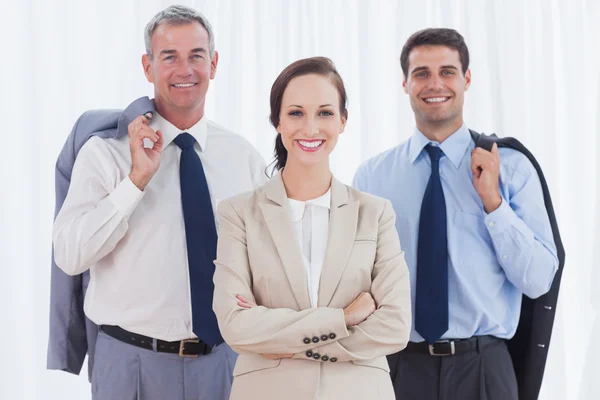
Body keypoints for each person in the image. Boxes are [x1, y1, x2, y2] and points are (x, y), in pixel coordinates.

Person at [51, 5, 265, 399]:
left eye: (196, 56)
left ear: (214, 64)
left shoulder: (243, 157)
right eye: (169, 57)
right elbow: (69, 255)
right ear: (148, 67)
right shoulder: (105, 154)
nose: (185, 69)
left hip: (224, 364)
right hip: (130, 365)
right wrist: (136, 181)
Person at [353, 28, 559, 400]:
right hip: (399, 368)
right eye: (421, 73)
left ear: (466, 79)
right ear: (405, 83)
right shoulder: (373, 176)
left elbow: (540, 280)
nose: (435, 83)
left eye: (447, 71)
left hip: (483, 369)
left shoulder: (510, 167)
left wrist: (494, 204)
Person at [212, 56, 411, 400]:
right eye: (295, 113)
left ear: (343, 120)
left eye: (324, 112)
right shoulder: (239, 213)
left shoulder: (376, 214)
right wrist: (344, 318)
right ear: (277, 121)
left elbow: (394, 328)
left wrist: (283, 341)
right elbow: (236, 327)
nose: (310, 128)